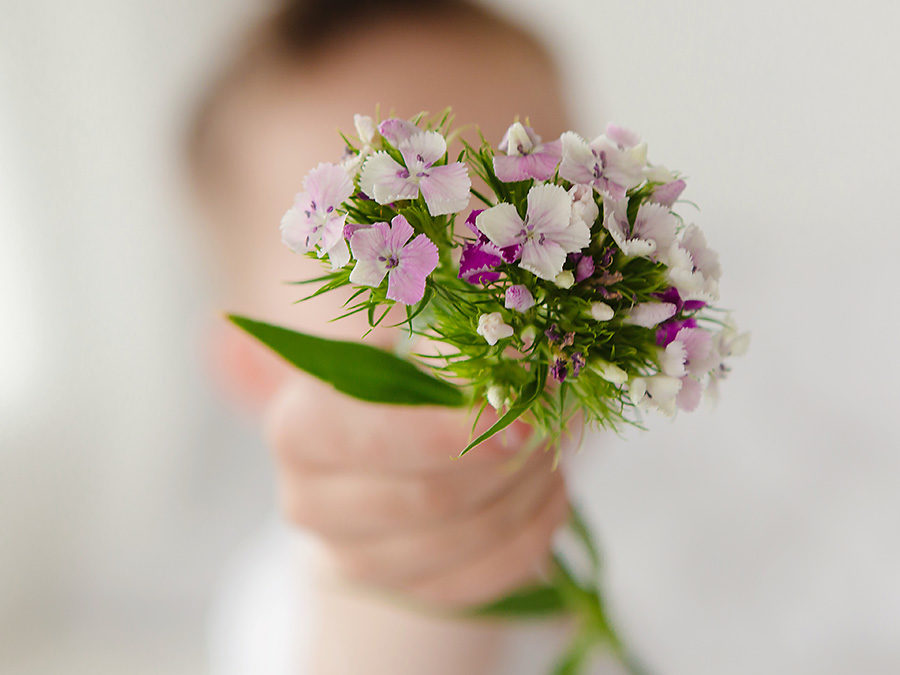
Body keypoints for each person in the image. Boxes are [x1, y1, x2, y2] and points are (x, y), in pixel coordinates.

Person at [186, 1, 577, 672]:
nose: (496, 281)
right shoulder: (289, 601)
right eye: (378, 246)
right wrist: (406, 576)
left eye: (533, 200)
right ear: (255, 366)